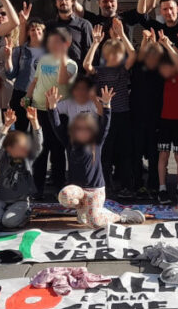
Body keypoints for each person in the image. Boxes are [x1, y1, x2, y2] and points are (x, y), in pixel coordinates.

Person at [51, 84, 145, 227]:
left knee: (94, 222)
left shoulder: (96, 142)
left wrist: (106, 105)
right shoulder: (70, 143)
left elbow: (106, 124)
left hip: (95, 191)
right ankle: (84, 210)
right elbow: (57, 126)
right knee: (64, 195)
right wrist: (52, 108)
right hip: (79, 191)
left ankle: (121, 216)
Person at [85, 19, 136, 197]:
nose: (114, 56)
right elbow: (86, 66)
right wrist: (95, 43)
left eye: (117, 53)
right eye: (110, 53)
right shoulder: (99, 70)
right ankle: (105, 185)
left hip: (123, 115)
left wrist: (122, 36)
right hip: (105, 116)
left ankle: (127, 186)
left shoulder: (123, 69)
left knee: (125, 153)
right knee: (105, 153)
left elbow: (133, 54)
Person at [29, 29, 78, 196]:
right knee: (39, 150)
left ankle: (59, 188)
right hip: (39, 111)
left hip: (58, 113)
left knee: (57, 151)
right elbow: (35, 81)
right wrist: (27, 98)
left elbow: (62, 80)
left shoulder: (71, 64)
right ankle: (37, 188)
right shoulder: (43, 60)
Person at [0, 108, 42, 229]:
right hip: (2, 199)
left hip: (20, 200)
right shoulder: (3, 157)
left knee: (8, 222)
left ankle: (26, 213)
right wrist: (6, 126)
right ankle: (4, 211)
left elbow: (38, 143)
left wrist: (34, 122)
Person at [156, 33, 178, 204]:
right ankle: (162, 188)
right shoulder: (166, 75)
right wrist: (165, 46)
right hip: (165, 119)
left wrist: (169, 45)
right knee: (163, 154)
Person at [130, 32, 164, 197]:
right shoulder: (138, 68)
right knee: (135, 154)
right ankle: (137, 185)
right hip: (136, 118)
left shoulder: (161, 73)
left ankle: (154, 184)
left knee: (153, 156)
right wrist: (145, 40)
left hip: (155, 120)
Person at [7, 9, 46, 132]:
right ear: (28, 32)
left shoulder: (50, 52)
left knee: (39, 130)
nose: (36, 32)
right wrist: (8, 57)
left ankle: (39, 152)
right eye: (32, 29)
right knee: (21, 130)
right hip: (21, 93)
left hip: (41, 95)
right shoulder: (20, 50)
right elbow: (10, 74)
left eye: (38, 29)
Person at [46, 0, 93, 67]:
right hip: (55, 74)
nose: (63, 2)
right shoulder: (49, 26)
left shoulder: (84, 25)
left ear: (72, 2)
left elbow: (90, 50)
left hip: (78, 75)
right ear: (55, 3)